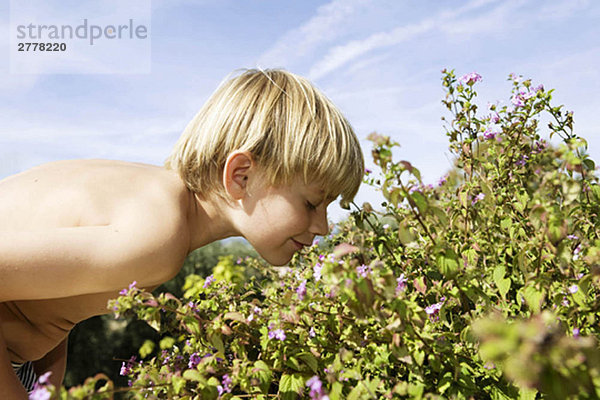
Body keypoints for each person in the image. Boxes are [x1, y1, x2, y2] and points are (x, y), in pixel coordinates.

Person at [0, 68, 364, 398]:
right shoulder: (157, 236)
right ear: (241, 176)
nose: (323, 226)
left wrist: (42, 374)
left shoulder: (149, 198)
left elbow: (48, 289)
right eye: (313, 203)